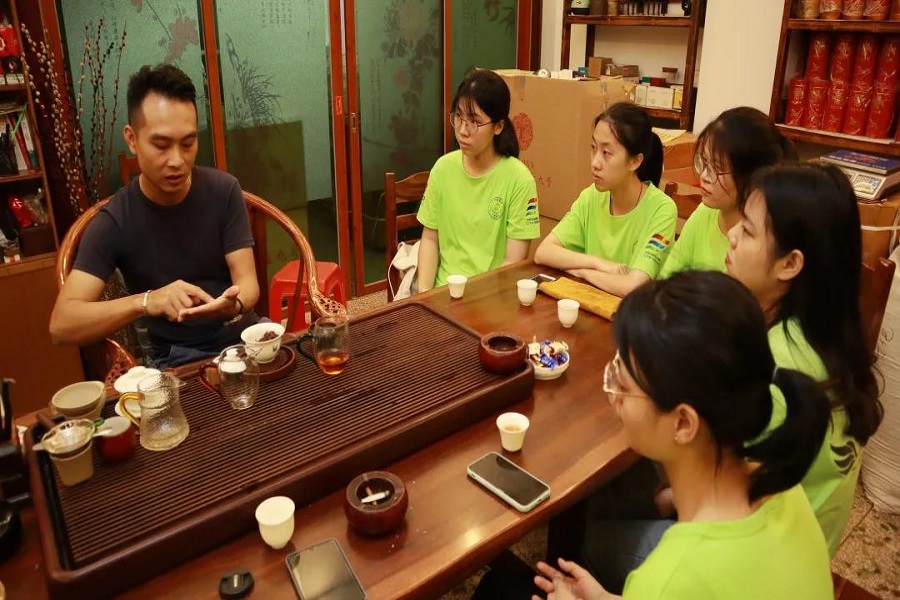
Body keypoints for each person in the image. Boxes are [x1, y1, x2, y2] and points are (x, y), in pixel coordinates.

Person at [473, 272, 833, 599]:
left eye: (622, 385)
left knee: (498, 589)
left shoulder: (672, 576)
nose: (612, 397)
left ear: (683, 423)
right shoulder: (781, 486)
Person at [49, 64, 260, 369]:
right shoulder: (116, 220)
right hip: (179, 359)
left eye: (188, 143)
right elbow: (62, 324)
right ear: (131, 139)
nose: (177, 160)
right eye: (161, 145)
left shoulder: (223, 190)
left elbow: (248, 283)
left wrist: (234, 305)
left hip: (243, 339)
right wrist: (146, 301)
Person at [726, 163, 883, 556]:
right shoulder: (826, 333)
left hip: (763, 566)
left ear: (790, 263)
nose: (731, 235)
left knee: (605, 530)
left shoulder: (778, 368)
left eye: (747, 230)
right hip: (805, 554)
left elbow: (721, 498)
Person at [416, 69, 540, 292]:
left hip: (491, 298)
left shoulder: (519, 180)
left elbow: (513, 262)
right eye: (458, 117)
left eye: (474, 121)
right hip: (442, 295)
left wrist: (476, 303)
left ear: (498, 126)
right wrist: (424, 295)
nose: (463, 131)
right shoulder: (443, 168)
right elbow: (430, 239)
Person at [533, 103, 675, 296]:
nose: (595, 162)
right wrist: (598, 263)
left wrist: (582, 272)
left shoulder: (662, 209)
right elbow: (544, 252)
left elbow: (632, 286)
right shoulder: (592, 196)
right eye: (593, 148)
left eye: (606, 153)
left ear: (635, 161)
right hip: (589, 304)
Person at [659, 106, 795, 278]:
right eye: (704, 162)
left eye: (717, 168)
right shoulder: (705, 212)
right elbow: (668, 275)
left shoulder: (765, 236)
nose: (704, 176)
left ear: (752, 175)